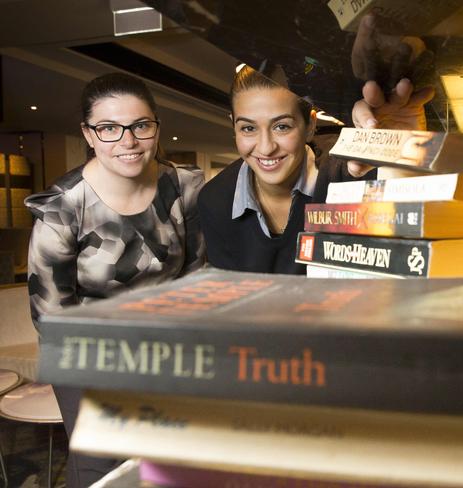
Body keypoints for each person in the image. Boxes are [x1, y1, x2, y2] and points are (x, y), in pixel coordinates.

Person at [25, 72, 205, 487]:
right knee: (102, 470)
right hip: (87, 355)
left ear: (156, 127)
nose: (128, 141)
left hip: (170, 345)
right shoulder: (63, 207)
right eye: (109, 128)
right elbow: (52, 316)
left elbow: (198, 275)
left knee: (173, 462)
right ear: (89, 134)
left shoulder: (182, 185)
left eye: (141, 126)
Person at [198, 65, 433, 274]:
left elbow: (419, 247)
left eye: (282, 126)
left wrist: (406, 155)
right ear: (233, 126)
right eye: (248, 128)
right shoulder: (215, 199)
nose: (266, 147)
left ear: (310, 126)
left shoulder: (352, 172)